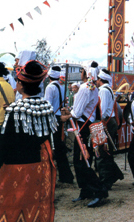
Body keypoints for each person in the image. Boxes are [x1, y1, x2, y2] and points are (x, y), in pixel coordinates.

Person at [0, 60, 57, 221]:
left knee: (13, 208)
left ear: (20, 84)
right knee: (35, 206)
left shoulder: (15, 110)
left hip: (17, 168)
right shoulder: (46, 106)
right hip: (41, 165)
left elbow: (5, 144)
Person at [63, 61, 108, 208]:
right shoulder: (93, 88)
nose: (80, 72)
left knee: (83, 161)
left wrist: (67, 113)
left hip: (82, 126)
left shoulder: (85, 88)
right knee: (80, 160)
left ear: (85, 72)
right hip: (86, 125)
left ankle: (99, 191)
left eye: (81, 70)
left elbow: (77, 113)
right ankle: (86, 190)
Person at [95, 69, 124, 190]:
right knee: (106, 151)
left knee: (103, 152)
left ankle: (106, 180)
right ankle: (114, 175)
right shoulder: (108, 90)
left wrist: (98, 123)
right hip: (109, 122)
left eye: (97, 79)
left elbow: (102, 110)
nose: (96, 81)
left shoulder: (103, 90)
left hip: (105, 122)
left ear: (100, 80)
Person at [44, 65, 74, 184]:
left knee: (54, 147)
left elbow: (48, 106)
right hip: (59, 117)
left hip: (52, 118)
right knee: (59, 146)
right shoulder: (61, 86)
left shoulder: (50, 87)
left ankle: (62, 175)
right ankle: (65, 174)